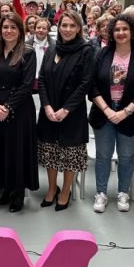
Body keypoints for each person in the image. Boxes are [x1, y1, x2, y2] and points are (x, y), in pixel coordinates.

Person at [89, 14, 134, 213]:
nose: (121, 33)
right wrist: (108, 110)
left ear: (133, 31)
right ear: (111, 32)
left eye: (125, 29)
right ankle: (101, 193)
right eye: (117, 29)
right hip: (104, 114)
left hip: (132, 115)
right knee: (103, 156)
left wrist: (125, 112)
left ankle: (123, 192)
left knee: (127, 156)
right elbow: (91, 86)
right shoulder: (101, 54)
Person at [37, 11, 94, 211]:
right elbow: (42, 78)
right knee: (50, 152)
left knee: (70, 154)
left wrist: (66, 109)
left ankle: (66, 190)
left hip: (72, 113)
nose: (68, 29)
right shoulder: (51, 49)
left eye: (72, 26)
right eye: (64, 25)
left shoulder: (86, 50)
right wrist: (46, 106)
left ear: (79, 28)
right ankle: (52, 188)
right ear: (58, 27)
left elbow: (85, 83)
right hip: (49, 111)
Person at [0, 12, 38, 212]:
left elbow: (26, 86)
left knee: (17, 151)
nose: (8, 31)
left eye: (13, 27)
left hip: (19, 110)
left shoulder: (28, 52)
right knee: (1, 150)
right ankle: (6, 189)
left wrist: (7, 108)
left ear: (20, 31)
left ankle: (18, 193)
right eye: (5, 27)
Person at [27, 17, 55, 92]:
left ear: (48, 30)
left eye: (44, 28)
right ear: (35, 29)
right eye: (38, 28)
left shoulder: (53, 45)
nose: (41, 30)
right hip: (31, 80)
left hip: (47, 81)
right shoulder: (27, 44)